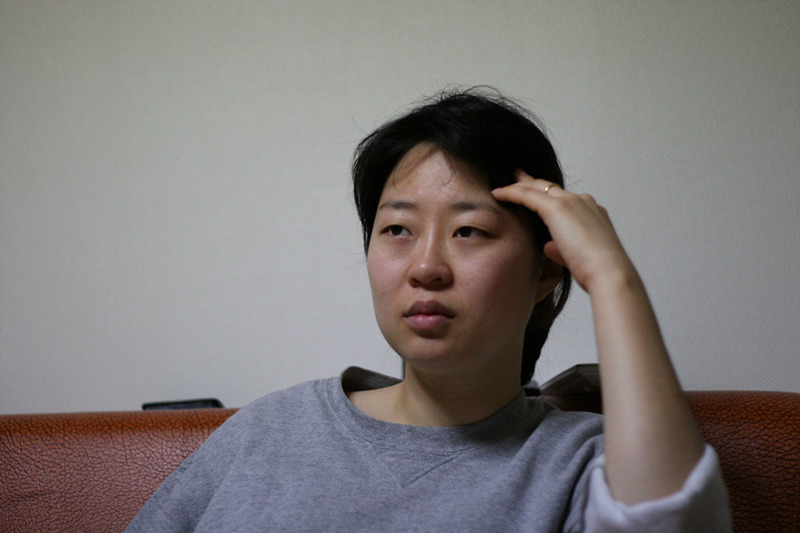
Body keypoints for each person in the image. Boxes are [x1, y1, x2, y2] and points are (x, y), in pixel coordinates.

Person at [126, 88, 732, 532]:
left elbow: (672, 521)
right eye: (397, 229)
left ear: (546, 270)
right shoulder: (269, 431)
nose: (426, 266)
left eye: (469, 231)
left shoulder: (581, 463)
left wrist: (613, 277)